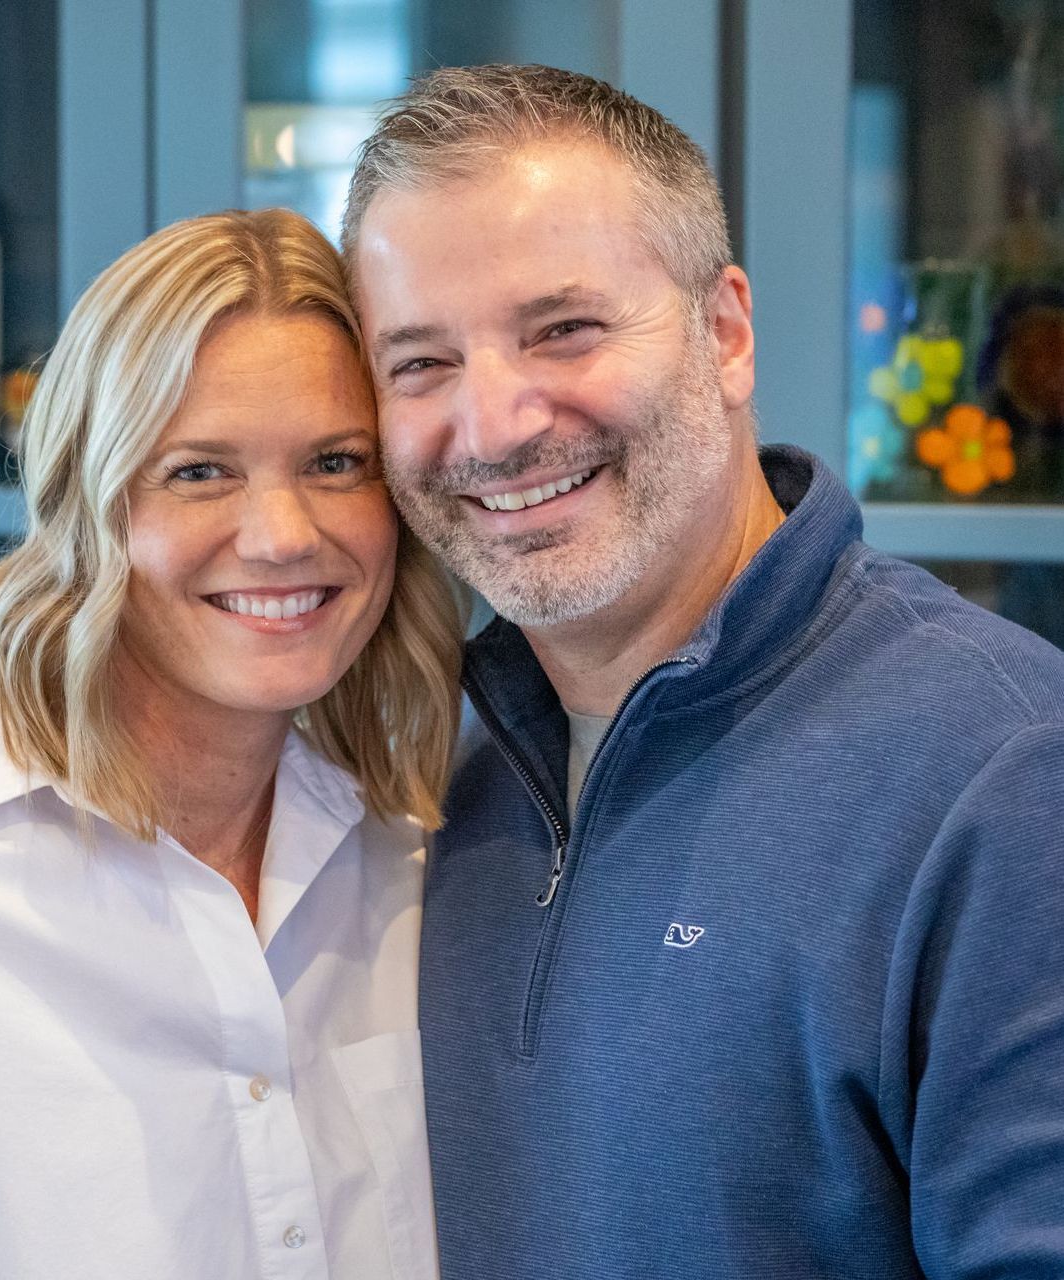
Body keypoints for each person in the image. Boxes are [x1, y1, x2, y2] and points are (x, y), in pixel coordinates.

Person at [341, 63, 1064, 1278]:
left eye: (562, 330)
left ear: (723, 332)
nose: (495, 423)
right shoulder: (408, 765)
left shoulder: (1006, 773)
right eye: (420, 363)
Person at [0, 207, 462, 1280]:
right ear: (88, 505)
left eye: (336, 462)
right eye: (199, 471)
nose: (283, 535)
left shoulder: (413, 862)